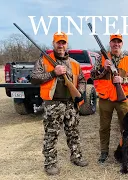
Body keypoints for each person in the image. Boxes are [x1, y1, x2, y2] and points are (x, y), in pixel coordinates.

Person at [30, 32, 88, 175]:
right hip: (53, 104)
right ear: (53, 43)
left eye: (63, 42)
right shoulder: (44, 61)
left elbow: (81, 80)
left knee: (73, 133)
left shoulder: (74, 63)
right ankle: (50, 163)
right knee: (51, 134)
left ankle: (76, 157)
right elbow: (33, 78)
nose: (61, 45)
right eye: (58, 42)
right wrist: (53, 73)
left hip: (71, 104)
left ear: (66, 44)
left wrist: (79, 93)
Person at [90, 34, 128, 163]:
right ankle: (104, 152)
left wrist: (122, 79)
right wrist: (103, 69)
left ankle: (127, 151)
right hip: (106, 100)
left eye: (118, 42)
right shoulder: (102, 59)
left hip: (122, 101)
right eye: (113, 42)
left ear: (122, 44)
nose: (116, 44)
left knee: (126, 128)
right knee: (104, 127)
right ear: (110, 44)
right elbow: (92, 75)